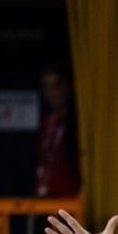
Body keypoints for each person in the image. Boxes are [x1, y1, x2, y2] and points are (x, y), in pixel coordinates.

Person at [35, 65, 81, 197]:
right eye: (46, 87)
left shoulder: (76, 123)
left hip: (71, 199)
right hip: (45, 197)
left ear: (68, 87)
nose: (51, 93)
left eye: (57, 85)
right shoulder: (45, 123)